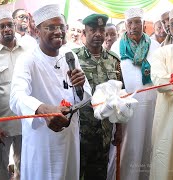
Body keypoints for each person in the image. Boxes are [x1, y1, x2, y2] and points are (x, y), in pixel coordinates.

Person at [10, 4, 92, 180]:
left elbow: (86, 95)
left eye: (61, 27)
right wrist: (42, 109)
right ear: (37, 30)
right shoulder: (27, 59)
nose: (58, 32)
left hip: (69, 138)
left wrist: (80, 86)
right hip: (42, 142)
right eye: (51, 27)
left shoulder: (70, 55)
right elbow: (16, 97)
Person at [110, 7, 160, 180]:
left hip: (151, 106)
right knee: (128, 146)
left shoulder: (155, 46)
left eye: (137, 22)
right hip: (128, 109)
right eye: (130, 22)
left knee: (148, 143)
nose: (134, 26)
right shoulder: (117, 47)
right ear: (125, 25)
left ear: (144, 24)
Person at [73, 14, 122, 180]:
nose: (98, 34)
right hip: (79, 132)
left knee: (99, 174)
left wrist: (119, 130)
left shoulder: (114, 60)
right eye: (92, 30)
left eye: (101, 30)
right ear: (84, 33)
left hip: (104, 132)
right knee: (76, 173)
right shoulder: (73, 58)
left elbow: (120, 97)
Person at [0, 10, 30, 180]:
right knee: (0, 168)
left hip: (25, 120)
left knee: (24, 166)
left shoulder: (27, 51)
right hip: (1, 124)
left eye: (9, 25)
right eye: (2, 26)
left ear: (14, 25)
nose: (7, 29)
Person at [150, 6, 173, 180]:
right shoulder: (161, 53)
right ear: (168, 29)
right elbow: (158, 81)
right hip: (168, 123)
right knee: (166, 168)